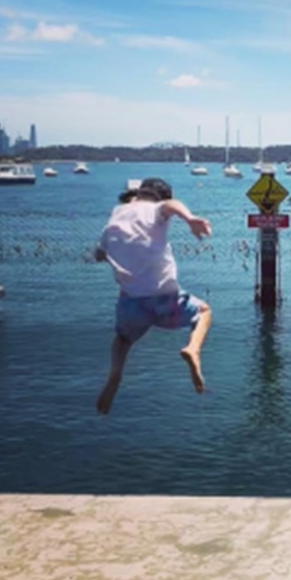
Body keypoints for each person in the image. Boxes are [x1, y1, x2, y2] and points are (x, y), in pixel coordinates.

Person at [95, 177, 214, 415]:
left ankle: (115, 375)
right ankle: (193, 349)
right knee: (204, 312)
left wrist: (103, 255)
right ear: (163, 197)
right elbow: (171, 206)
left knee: (123, 340)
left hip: (132, 304)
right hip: (165, 299)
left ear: (137, 194)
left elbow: (100, 253)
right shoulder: (156, 209)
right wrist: (190, 219)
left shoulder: (115, 216)